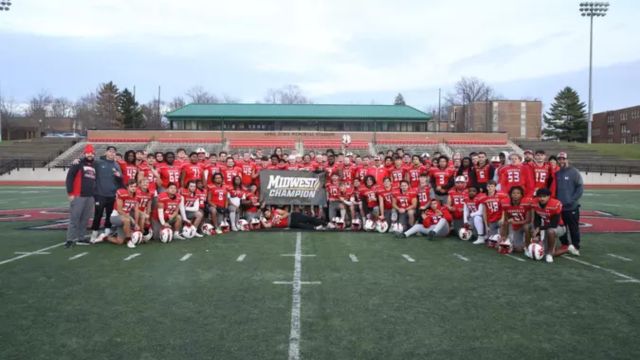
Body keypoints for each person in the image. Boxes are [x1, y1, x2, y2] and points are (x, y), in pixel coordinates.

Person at [65, 144, 97, 248]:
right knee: (74, 218)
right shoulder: (77, 163)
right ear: (85, 153)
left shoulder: (94, 165)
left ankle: (81, 238)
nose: (90, 155)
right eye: (88, 153)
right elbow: (69, 178)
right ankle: (70, 239)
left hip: (90, 196)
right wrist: (70, 193)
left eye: (92, 153)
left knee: (85, 219)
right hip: (78, 195)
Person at [93, 179, 140, 247]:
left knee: (120, 241)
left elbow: (136, 210)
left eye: (135, 186)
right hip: (115, 217)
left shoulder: (136, 196)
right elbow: (119, 210)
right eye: (131, 186)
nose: (133, 188)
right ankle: (130, 240)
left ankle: (105, 237)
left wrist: (136, 223)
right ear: (127, 187)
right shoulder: (122, 193)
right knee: (127, 220)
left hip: (125, 219)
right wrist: (130, 218)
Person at [90, 145, 123, 242]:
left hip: (112, 194)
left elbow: (120, 179)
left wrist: (118, 176)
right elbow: (88, 162)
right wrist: (78, 161)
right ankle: (94, 233)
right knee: (98, 214)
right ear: (106, 152)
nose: (112, 153)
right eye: (110, 151)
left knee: (109, 214)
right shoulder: (99, 163)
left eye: (114, 152)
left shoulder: (116, 165)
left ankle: (107, 232)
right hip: (100, 194)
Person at [554, 152, 583, 256]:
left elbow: (580, 187)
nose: (561, 161)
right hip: (559, 207)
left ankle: (575, 246)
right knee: (561, 228)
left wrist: (573, 199)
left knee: (573, 228)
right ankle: (565, 244)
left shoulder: (574, 172)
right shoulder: (557, 173)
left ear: (567, 160)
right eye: (559, 159)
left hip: (571, 207)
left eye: (563, 159)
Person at [530, 188, 565, 263]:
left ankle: (550, 254)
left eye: (544, 196)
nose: (542, 198)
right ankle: (566, 249)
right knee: (545, 252)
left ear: (549, 196)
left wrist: (539, 228)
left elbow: (554, 224)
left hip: (559, 227)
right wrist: (538, 234)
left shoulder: (555, 204)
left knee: (550, 231)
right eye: (539, 196)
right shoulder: (535, 203)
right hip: (547, 227)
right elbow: (537, 219)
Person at [261, 208, 328, 230]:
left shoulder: (276, 211)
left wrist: (281, 217)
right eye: (266, 214)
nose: (268, 214)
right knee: (303, 226)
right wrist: (261, 219)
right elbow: (266, 226)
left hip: (292, 216)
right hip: (290, 224)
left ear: (269, 211)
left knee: (308, 218)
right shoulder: (270, 221)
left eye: (268, 212)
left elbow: (287, 213)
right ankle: (316, 228)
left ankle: (326, 223)